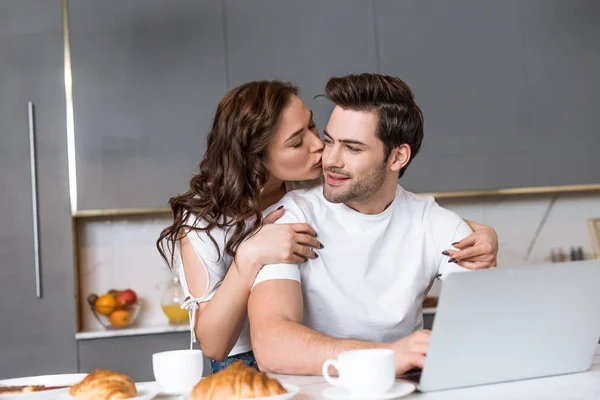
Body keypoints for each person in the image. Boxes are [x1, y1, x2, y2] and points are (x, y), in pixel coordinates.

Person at [156, 79, 498, 374]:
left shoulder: (303, 190)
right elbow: (217, 344)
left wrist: (472, 232)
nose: (322, 149)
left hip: (327, 366)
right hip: (239, 359)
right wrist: (248, 256)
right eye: (296, 142)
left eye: (313, 128)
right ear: (256, 158)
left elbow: (396, 212)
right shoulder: (220, 222)